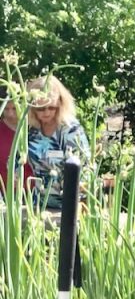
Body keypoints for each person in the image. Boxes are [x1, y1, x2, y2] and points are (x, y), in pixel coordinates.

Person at [25, 76, 90, 209]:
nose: (47, 112)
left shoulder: (71, 130)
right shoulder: (31, 131)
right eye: (40, 108)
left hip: (71, 205)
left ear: (60, 103)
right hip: (39, 204)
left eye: (51, 107)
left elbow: (85, 169)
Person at [0, 86, 30, 193]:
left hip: (33, 194)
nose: (10, 114)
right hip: (5, 194)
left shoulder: (34, 129)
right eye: (6, 109)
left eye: (14, 108)